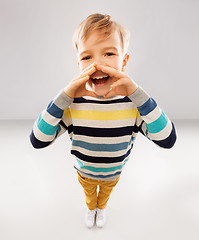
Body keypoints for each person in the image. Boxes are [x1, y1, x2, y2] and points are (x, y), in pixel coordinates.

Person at [30, 13, 177, 228]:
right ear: (79, 63)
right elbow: (38, 140)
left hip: (114, 172)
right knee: (89, 194)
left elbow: (167, 139)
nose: (97, 64)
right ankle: (91, 208)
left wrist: (136, 92)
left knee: (105, 193)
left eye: (108, 53)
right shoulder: (72, 104)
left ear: (124, 61)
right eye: (87, 57)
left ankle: (102, 207)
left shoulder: (134, 104)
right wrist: (65, 95)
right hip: (84, 172)